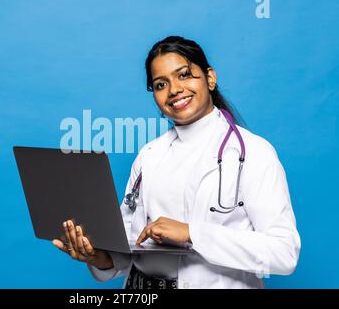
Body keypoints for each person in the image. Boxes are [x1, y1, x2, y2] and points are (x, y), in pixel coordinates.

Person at [52, 36, 301, 289]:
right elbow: (128, 246)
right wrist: (99, 257)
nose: (174, 90)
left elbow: (284, 253)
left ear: (210, 78)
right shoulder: (149, 155)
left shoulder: (254, 153)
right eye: (161, 84)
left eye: (184, 75)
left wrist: (192, 233)